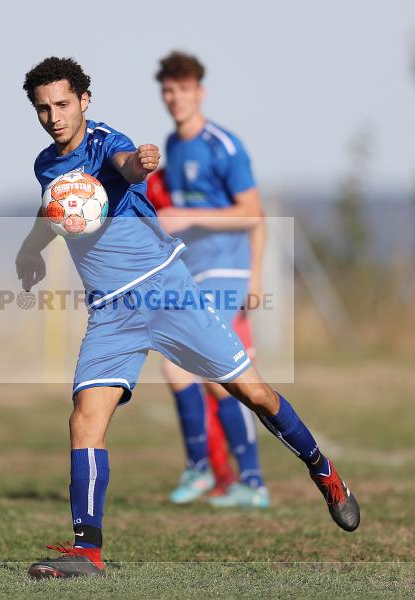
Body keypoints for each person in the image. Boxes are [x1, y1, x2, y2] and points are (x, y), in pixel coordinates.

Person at [16, 56, 360, 580]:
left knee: (254, 394)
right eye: (43, 108)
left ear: (84, 101)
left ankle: (325, 472)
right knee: (84, 419)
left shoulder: (107, 141)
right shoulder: (46, 165)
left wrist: (142, 162)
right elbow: (54, 211)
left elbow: (128, 164)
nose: (54, 116)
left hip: (167, 292)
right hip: (112, 312)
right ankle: (87, 551)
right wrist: (31, 250)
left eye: (63, 104)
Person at [151, 51, 270, 508]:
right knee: (221, 376)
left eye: (182, 89)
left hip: (226, 269)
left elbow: (252, 213)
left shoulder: (225, 145)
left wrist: (255, 276)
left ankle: (203, 469)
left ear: (200, 91)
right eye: (167, 90)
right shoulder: (173, 145)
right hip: (191, 272)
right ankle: (250, 482)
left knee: (180, 363)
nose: (174, 98)